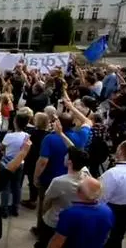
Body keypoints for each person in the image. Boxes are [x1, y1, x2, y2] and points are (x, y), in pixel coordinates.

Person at [33, 94, 92, 234]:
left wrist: (36, 177)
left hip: (49, 177)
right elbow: (88, 121)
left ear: (58, 124)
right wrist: (71, 108)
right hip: (72, 178)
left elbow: (42, 161)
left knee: (45, 203)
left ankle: (41, 228)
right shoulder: (81, 136)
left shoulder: (50, 138)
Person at [35, 140, 91, 248]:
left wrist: (43, 214)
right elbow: (75, 150)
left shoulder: (59, 181)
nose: (64, 156)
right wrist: (60, 134)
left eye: (66, 155)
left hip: (55, 221)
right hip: (74, 224)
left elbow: (47, 201)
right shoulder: (86, 174)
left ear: (69, 162)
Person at [48, 177, 114, 248]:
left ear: (79, 193)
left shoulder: (69, 213)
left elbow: (57, 242)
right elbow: (106, 236)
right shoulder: (108, 211)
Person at [0, 112, 30, 218]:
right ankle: (15, 208)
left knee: (5, 187)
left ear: (15, 122)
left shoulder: (9, 136)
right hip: (20, 163)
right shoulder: (27, 136)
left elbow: (1, 148)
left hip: (7, 163)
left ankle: (3, 208)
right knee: (17, 186)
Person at [21, 112, 50, 210]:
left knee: (32, 180)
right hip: (41, 159)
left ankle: (33, 200)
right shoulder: (48, 134)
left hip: (32, 160)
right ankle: (36, 198)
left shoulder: (33, 134)